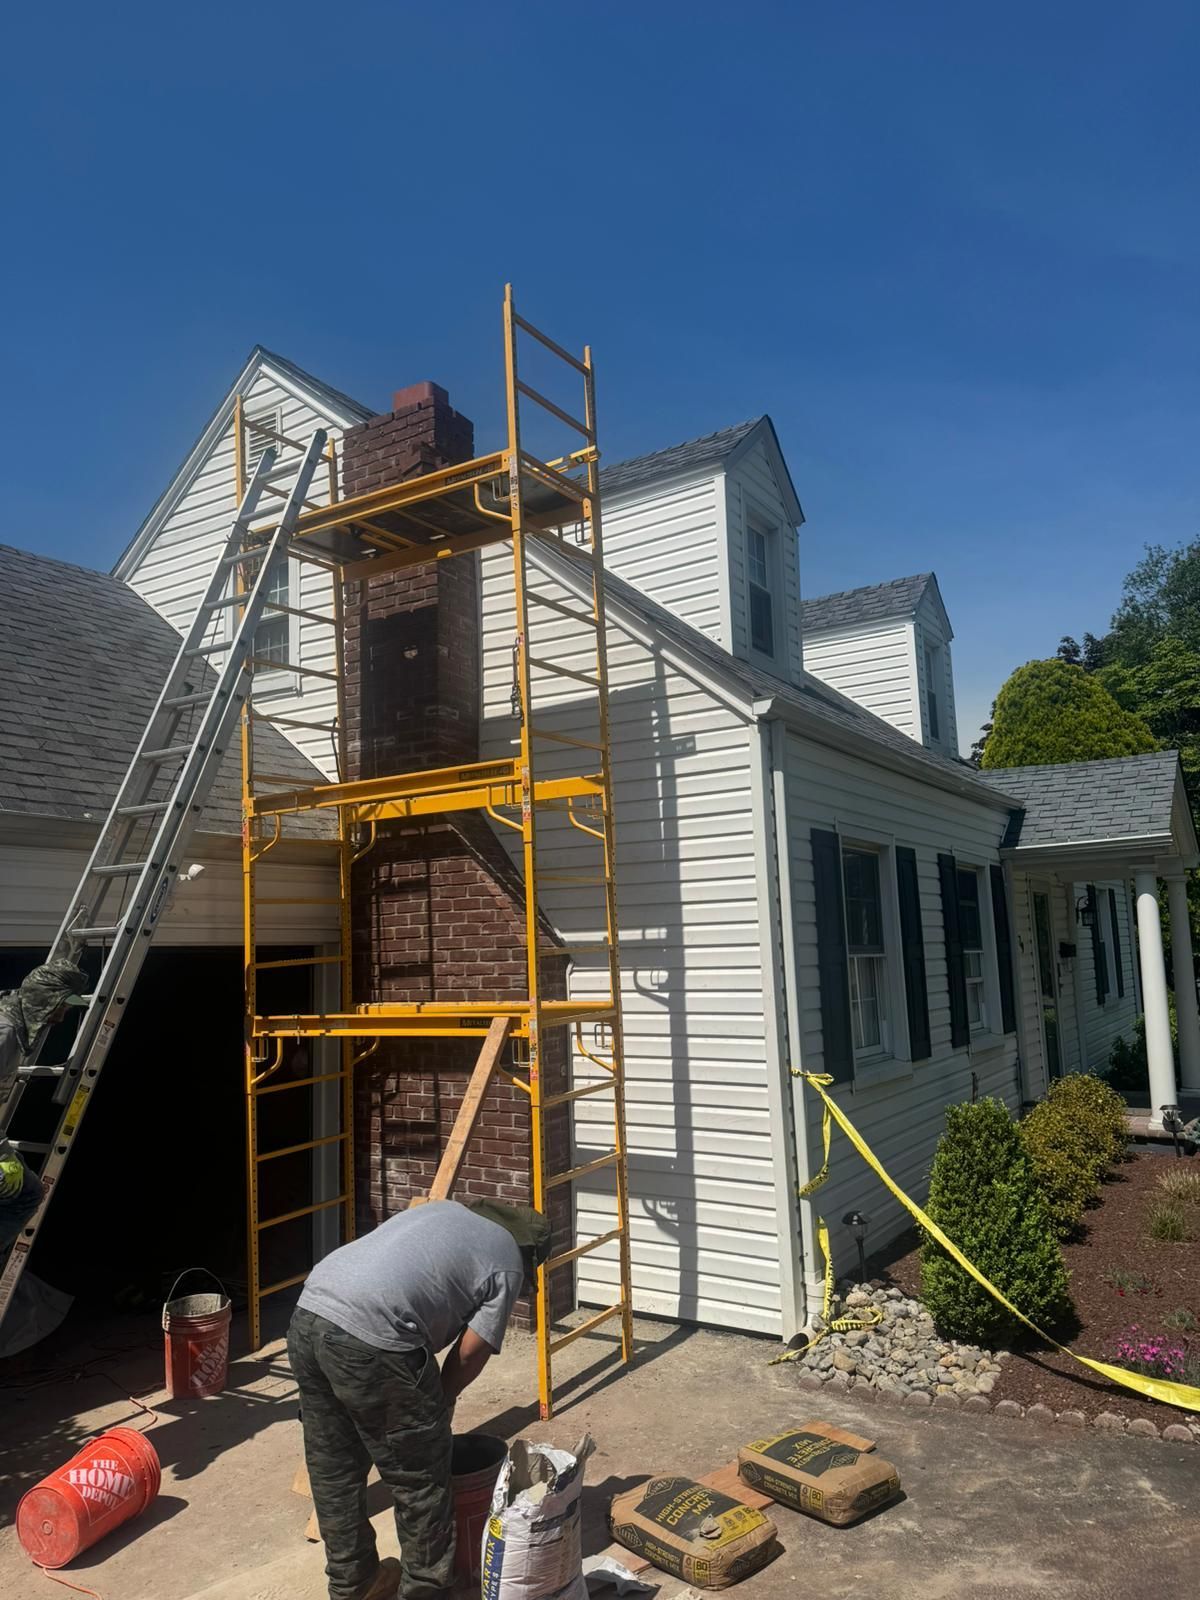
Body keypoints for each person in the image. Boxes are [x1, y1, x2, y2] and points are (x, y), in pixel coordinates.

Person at [288, 1197, 552, 1600]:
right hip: (375, 1337)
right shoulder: (507, 1259)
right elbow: (470, 1352)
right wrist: (440, 1405)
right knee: (422, 1480)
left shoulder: (441, 1213)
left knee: (335, 1468)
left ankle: (354, 1585)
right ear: (527, 1252)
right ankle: (426, 1593)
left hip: (310, 1313)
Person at [0, 958, 91, 1252]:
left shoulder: (12, 1020)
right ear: (44, 1000)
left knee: (26, 1189)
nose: (62, 1017)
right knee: (25, 1194)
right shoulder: (5, 1034)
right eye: (60, 1006)